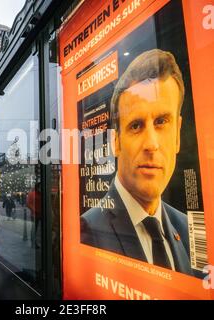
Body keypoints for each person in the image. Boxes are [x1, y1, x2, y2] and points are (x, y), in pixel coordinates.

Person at [80, 49, 193, 276]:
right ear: (116, 142)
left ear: (178, 135)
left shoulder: (188, 229)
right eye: (136, 125)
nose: (151, 144)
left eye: (161, 121)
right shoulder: (88, 230)